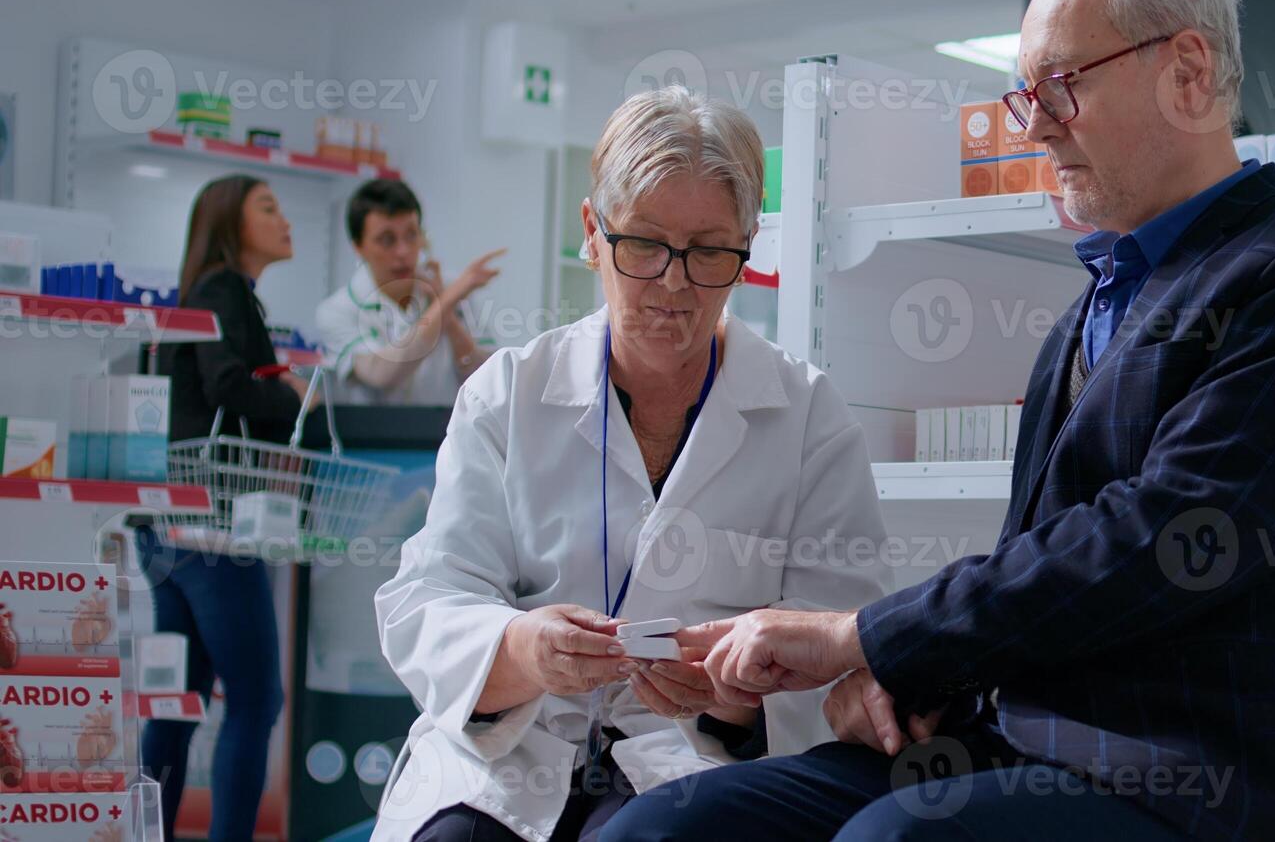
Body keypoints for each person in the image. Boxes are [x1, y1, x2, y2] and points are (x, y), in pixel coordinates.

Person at [604, 0, 1275, 842]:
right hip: (1012, 740)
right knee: (666, 828)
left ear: (1188, 72)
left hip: (1194, 770)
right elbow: (1040, 565)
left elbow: (1165, 540)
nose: (1036, 122)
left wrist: (865, 639)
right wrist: (906, 678)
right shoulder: (1088, 313)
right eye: (1026, 95)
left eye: (1061, 86)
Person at [370, 87, 891, 842]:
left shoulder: (808, 417)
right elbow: (430, 596)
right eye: (644, 244)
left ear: (747, 248)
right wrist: (523, 651)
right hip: (515, 753)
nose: (674, 285)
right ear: (592, 232)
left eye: (709, 251)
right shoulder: (508, 395)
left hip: (693, 763)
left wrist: (733, 697)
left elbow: (843, 646)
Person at [144, 174, 305, 841]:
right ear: (230, 223)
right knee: (257, 698)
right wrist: (296, 397)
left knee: (178, 704)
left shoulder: (208, 292)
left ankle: (142, 832)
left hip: (169, 527)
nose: (284, 219)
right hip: (213, 527)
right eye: (268, 207)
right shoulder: (226, 288)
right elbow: (229, 384)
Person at [314, 178, 503, 405]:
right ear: (358, 247)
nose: (403, 251)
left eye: (412, 235)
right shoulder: (338, 311)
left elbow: (486, 377)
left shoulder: (448, 287)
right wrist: (445, 302)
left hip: (444, 435)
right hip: (373, 437)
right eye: (387, 240)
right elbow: (381, 372)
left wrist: (448, 316)